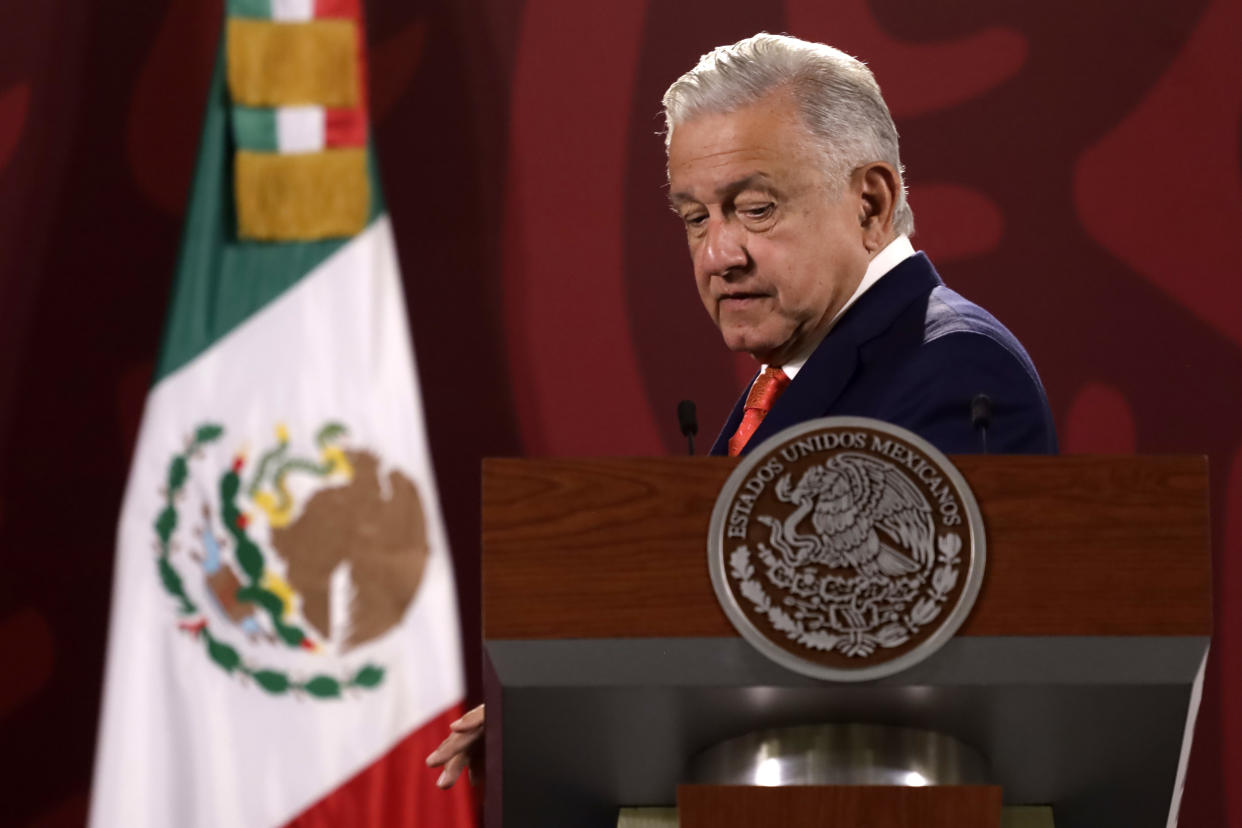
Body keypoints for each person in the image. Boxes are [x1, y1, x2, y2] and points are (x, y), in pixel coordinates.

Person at [426, 30, 1056, 791]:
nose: (718, 254)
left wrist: (594, 709)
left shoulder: (951, 368)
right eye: (696, 218)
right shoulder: (800, 372)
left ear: (871, 203)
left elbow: (876, 649)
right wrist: (570, 703)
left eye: (754, 209)